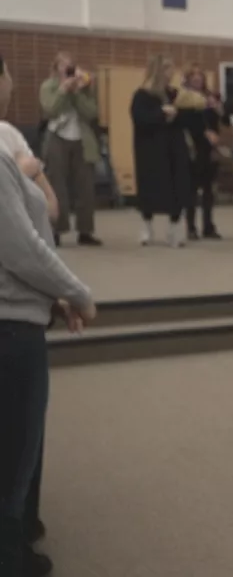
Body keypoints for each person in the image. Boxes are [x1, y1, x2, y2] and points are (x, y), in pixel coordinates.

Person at [0, 141, 96, 574]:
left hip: (18, 313)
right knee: (11, 472)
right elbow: (20, 247)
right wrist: (77, 293)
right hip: (11, 329)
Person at [38, 51, 101, 247]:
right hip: (57, 138)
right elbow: (50, 110)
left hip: (81, 140)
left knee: (85, 187)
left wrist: (78, 92)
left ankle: (85, 231)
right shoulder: (48, 86)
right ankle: (56, 230)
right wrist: (63, 90)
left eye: (71, 65)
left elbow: (92, 112)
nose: (67, 69)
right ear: (55, 68)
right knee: (57, 187)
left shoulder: (84, 87)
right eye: (63, 66)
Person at [130, 54, 191, 248]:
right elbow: (140, 119)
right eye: (167, 69)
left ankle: (174, 230)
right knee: (150, 187)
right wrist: (161, 113)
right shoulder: (142, 95)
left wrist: (177, 114)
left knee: (177, 187)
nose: (171, 73)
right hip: (151, 149)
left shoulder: (175, 94)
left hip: (174, 147)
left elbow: (187, 117)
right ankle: (147, 227)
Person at [0, 61, 56, 224]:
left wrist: (35, 172)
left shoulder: (8, 134)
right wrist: (20, 174)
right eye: (7, 73)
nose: (12, 85)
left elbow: (51, 209)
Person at [176, 65, 224, 241]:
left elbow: (221, 120)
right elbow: (185, 120)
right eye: (193, 76)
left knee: (209, 189)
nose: (197, 79)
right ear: (188, 79)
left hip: (210, 148)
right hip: (193, 146)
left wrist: (218, 109)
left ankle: (209, 226)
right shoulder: (184, 97)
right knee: (192, 189)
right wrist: (204, 132)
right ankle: (191, 227)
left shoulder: (211, 96)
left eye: (200, 76)